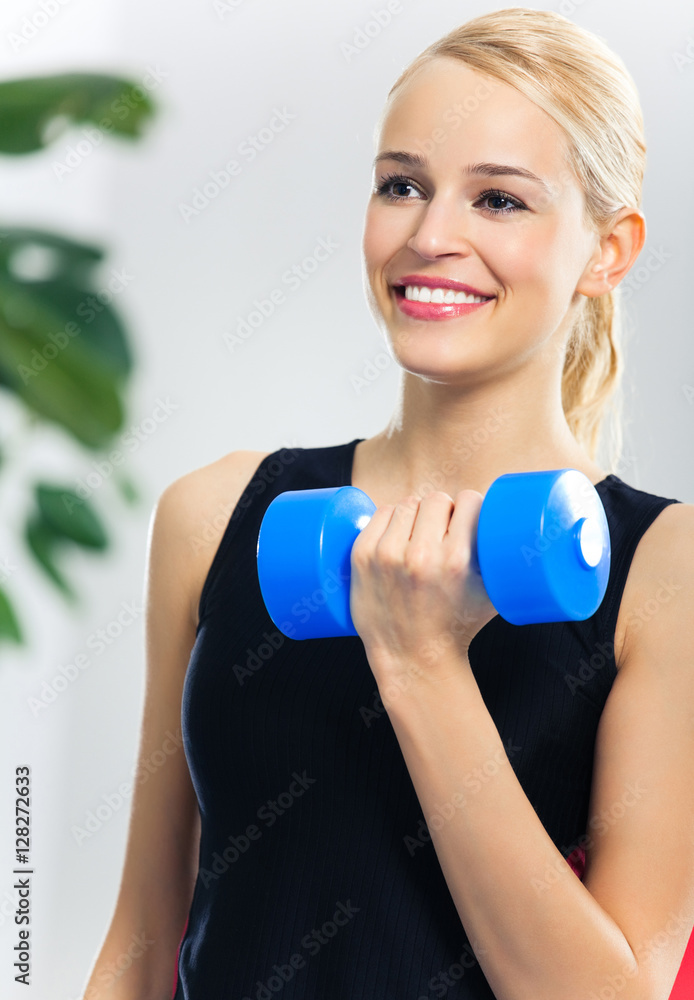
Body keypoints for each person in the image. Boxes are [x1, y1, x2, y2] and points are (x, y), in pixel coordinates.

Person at [83, 7, 694, 999]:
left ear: (606, 251)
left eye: (498, 200)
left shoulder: (665, 568)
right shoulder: (214, 514)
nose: (429, 235)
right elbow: (142, 946)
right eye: (401, 185)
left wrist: (419, 662)